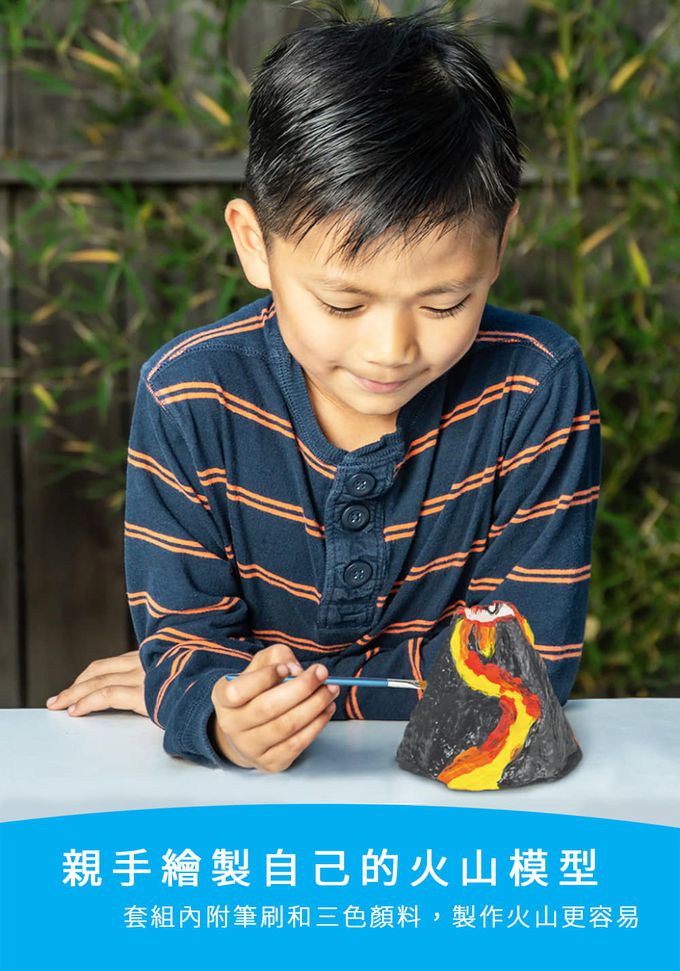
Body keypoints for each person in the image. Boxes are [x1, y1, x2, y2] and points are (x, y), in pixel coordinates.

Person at [45, 2, 601, 773]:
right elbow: (184, 640)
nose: (393, 347)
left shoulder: (536, 385)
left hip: (456, 808)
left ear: (501, 243)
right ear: (254, 245)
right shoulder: (188, 395)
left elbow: (518, 676)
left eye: (444, 303)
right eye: (343, 303)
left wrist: (189, 693)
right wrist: (215, 711)